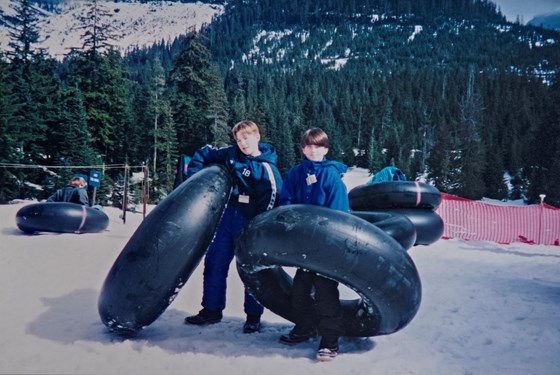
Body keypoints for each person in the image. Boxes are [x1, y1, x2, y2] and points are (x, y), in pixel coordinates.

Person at [183, 120, 283, 334]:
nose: (242, 144)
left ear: (257, 136)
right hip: (226, 216)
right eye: (238, 140)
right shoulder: (230, 154)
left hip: (250, 222)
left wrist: (258, 227)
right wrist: (194, 180)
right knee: (214, 263)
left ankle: (253, 316)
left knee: (251, 269)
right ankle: (211, 309)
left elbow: (273, 199)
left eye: (246, 138)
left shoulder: (266, 167)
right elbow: (204, 153)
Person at [277, 128, 348, 362]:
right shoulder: (296, 173)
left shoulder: (331, 176)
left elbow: (338, 213)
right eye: (308, 146)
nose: (312, 150)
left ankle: (330, 341)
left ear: (325, 149)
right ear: (302, 148)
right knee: (300, 291)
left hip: (325, 245)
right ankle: (305, 327)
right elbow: (286, 200)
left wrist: (327, 238)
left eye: (317, 146)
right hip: (304, 245)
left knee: (326, 294)